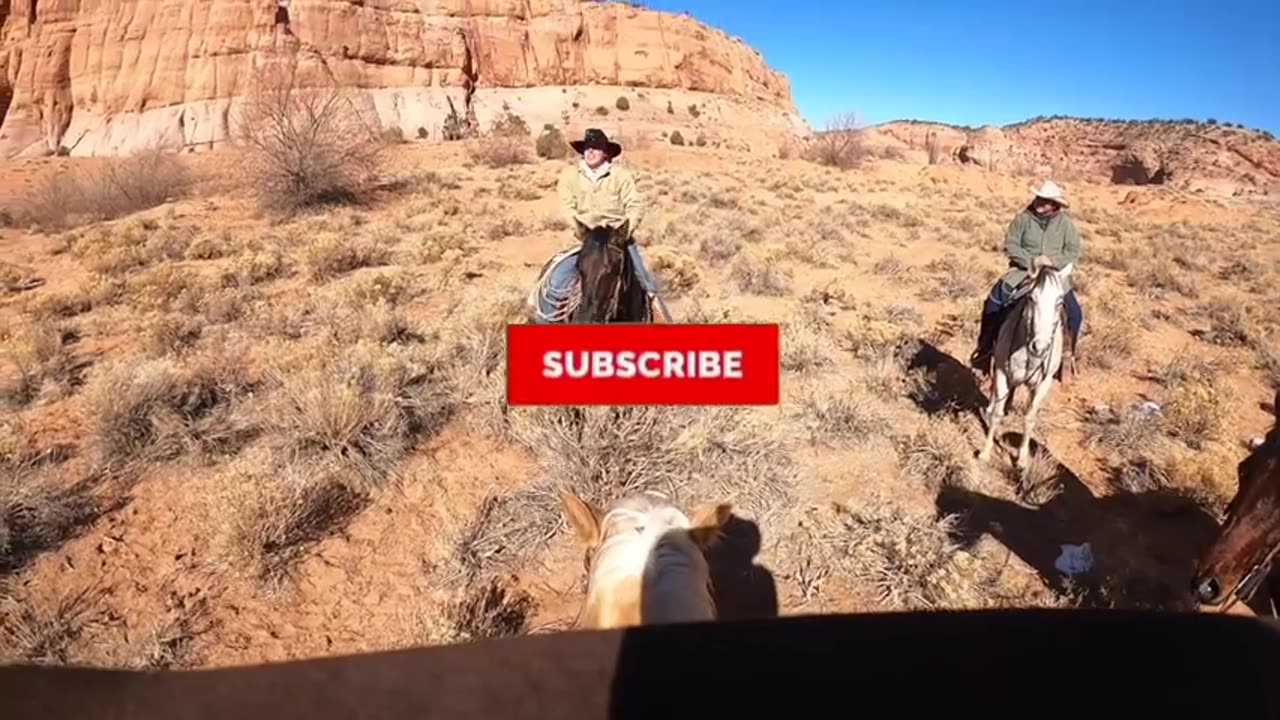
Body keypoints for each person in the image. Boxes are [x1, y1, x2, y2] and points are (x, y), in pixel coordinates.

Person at [532, 128, 663, 322]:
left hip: (617, 239)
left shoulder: (621, 176)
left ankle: (661, 322)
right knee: (556, 280)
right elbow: (568, 208)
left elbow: (635, 205)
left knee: (646, 282)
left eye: (596, 148)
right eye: (587, 148)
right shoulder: (570, 176)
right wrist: (582, 231)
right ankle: (545, 326)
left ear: (606, 153)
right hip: (584, 240)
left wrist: (625, 231)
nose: (590, 152)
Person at [969, 180, 1084, 380]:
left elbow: (1073, 250)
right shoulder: (1022, 219)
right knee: (994, 302)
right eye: (1039, 198)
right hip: (1022, 273)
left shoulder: (1065, 223)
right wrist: (1030, 261)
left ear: (1055, 205)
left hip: (1055, 276)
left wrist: (1054, 261)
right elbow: (1011, 244)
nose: (1041, 203)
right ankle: (985, 350)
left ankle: (1067, 356)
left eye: (1046, 200)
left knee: (1074, 313)